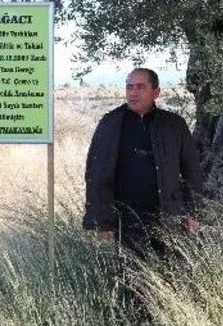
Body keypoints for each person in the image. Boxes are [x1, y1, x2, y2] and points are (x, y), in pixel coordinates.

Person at [83, 68, 202, 258]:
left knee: (168, 277)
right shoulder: (110, 124)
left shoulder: (174, 125)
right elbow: (95, 173)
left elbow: (192, 172)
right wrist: (100, 219)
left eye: (140, 87)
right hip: (124, 220)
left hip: (168, 216)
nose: (133, 92)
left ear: (156, 92)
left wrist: (193, 212)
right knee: (130, 279)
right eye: (129, 87)